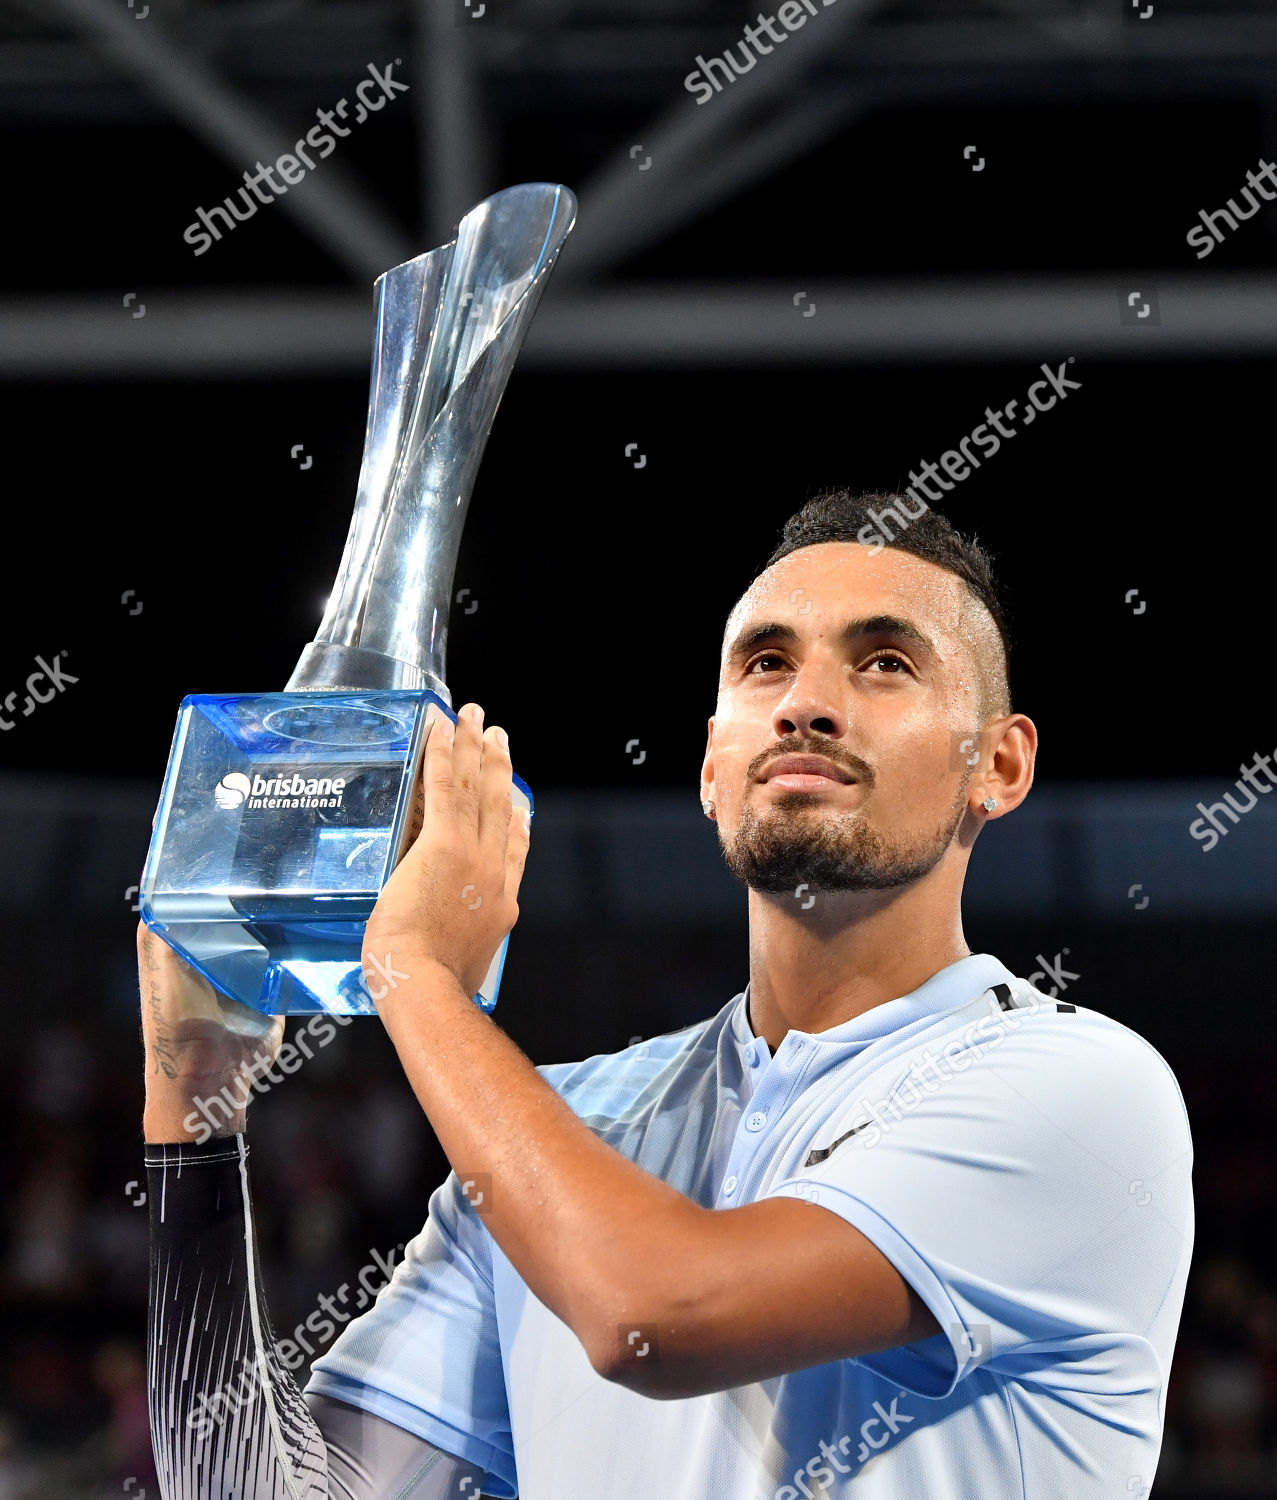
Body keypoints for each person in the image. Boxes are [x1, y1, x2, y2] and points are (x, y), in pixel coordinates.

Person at [140, 489, 1194, 1499]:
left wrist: (410, 967)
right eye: (765, 664)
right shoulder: (555, 1137)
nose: (805, 705)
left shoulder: (1084, 1090)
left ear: (997, 767)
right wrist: (193, 1109)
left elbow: (651, 1315)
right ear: (708, 765)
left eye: (882, 664)